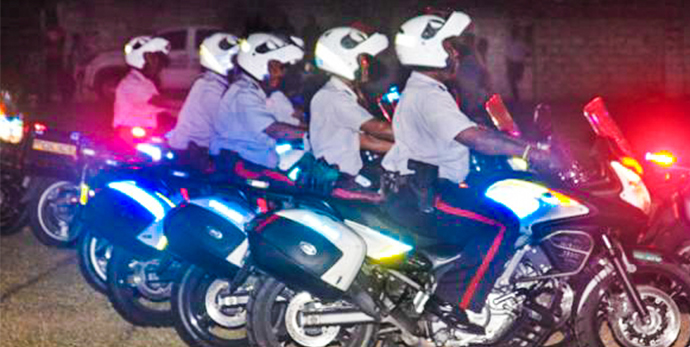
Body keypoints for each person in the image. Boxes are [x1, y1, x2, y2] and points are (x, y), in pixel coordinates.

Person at [382, 11, 560, 333]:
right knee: (501, 223)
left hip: (424, 188)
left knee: (489, 210)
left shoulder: (428, 91)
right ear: (430, 50)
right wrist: (529, 152)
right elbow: (472, 137)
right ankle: (449, 302)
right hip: (428, 194)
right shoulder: (428, 95)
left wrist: (508, 139)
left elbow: (468, 129)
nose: (455, 54)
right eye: (449, 46)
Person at [210, 33, 307, 177]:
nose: (279, 74)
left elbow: (286, 122)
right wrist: (312, 136)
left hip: (252, 164)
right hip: (240, 169)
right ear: (258, 63)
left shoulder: (255, 91)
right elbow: (275, 130)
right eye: (275, 67)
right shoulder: (243, 93)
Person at [309, 26, 394, 186]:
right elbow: (378, 128)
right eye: (363, 60)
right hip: (335, 181)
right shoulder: (333, 97)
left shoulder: (340, 94)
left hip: (342, 178)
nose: (367, 65)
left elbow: (362, 140)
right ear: (345, 60)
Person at [167, 33, 240, 172]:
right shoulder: (211, 87)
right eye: (235, 59)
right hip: (194, 154)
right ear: (223, 59)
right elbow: (226, 124)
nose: (238, 66)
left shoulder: (212, 83)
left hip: (197, 150)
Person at [113, 36, 180, 139]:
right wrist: (187, 106)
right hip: (129, 134)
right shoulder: (131, 83)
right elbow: (160, 102)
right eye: (154, 59)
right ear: (140, 59)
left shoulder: (145, 81)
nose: (158, 65)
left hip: (144, 131)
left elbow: (160, 107)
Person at [506, 26, 529, 102]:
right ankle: (516, 97)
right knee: (512, 80)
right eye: (513, 33)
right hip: (512, 63)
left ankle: (517, 97)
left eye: (514, 33)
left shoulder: (521, 42)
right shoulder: (510, 42)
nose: (513, 35)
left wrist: (522, 57)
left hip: (518, 63)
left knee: (517, 79)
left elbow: (527, 52)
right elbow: (507, 54)